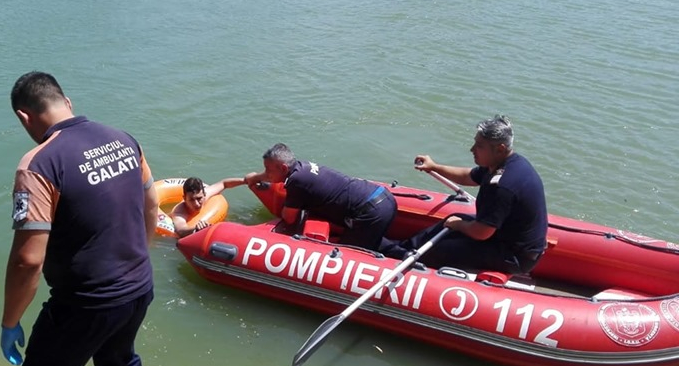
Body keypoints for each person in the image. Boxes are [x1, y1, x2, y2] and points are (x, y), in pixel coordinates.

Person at [0, 72, 160, 366]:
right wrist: (137, 261)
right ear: (66, 100)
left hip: (88, 299)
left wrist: (9, 321)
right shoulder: (123, 138)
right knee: (118, 358)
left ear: (24, 116)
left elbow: (27, 260)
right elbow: (152, 205)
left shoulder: (39, 163)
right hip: (139, 285)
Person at [387, 115, 548, 274]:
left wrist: (457, 225)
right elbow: (468, 176)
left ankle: (403, 261)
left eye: (479, 146)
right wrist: (434, 166)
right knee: (456, 218)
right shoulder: (503, 162)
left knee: (441, 248)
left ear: (500, 149)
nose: (472, 149)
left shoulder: (503, 185)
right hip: (502, 236)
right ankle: (403, 248)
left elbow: (482, 232)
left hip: (513, 255)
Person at [243, 143, 397, 251]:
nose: (266, 173)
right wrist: (258, 177)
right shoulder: (303, 167)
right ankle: (405, 250)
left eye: (268, 169)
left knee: (348, 251)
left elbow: (289, 218)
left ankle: (407, 258)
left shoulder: (296, 181)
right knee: (366, 238)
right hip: (384, 199)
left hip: (371, 212)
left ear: (283, 168)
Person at [169, 175, 244, 237]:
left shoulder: (205, 195)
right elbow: (181, 231)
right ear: (184, 198)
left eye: (199, 198)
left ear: (204, 195)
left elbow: (224, 184)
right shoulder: (179, 211)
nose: (196, 204)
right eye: (191, 200)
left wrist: (245, 180)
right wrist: (195, 228)